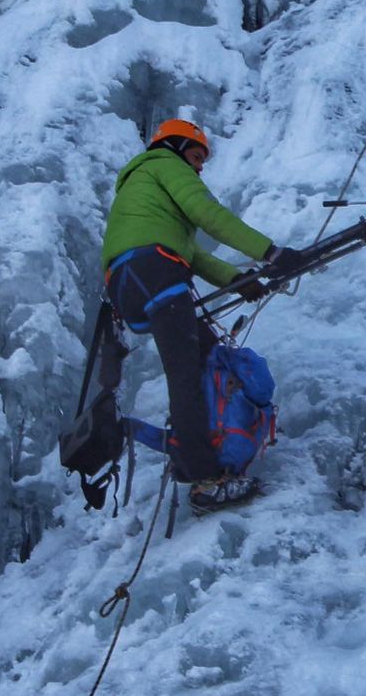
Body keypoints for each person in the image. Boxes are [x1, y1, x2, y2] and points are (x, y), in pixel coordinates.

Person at [101, 119, 300, 510]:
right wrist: (270, 253)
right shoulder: (163, 164)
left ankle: (206, 445)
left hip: (131, 284)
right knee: (188, 374)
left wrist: (241, 280)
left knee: (205, 355)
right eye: (195, 156)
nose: (198, 167)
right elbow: (209, 213)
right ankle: (205, 477)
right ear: (174, 147)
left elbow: (194, 256)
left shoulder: (146, 199)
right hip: (155, 270)